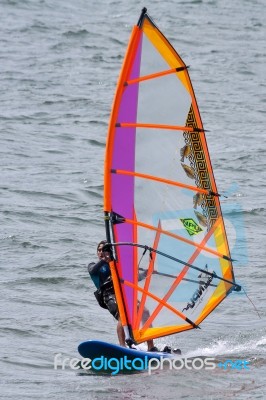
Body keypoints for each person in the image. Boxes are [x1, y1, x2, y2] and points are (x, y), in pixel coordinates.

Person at [88, 240, 158, 351]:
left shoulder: (117, 264)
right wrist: (106, 259)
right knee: (123, 315)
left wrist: (147, 272)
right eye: (99, 250)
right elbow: (92, 270)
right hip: (109, 296)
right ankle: (122, 346)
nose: (101, 252)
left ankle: (151, 347)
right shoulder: (93, 266)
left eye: (104, 250)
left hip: (123, 293)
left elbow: (133, 278)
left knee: (144, 312)